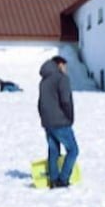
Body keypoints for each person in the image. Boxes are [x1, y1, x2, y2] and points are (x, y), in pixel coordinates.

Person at [37, 56, 78, 188]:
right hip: (61, 122)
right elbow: (65, 100)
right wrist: (69, 117)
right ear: (59, 65)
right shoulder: (62, 79)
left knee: (53, 151)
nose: (66, 69)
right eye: (64, 66)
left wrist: (44, 118)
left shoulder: (43, 81)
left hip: (47, 123)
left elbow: (40, 104)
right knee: (73, 150)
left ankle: (53, 180)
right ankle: (63, 179)